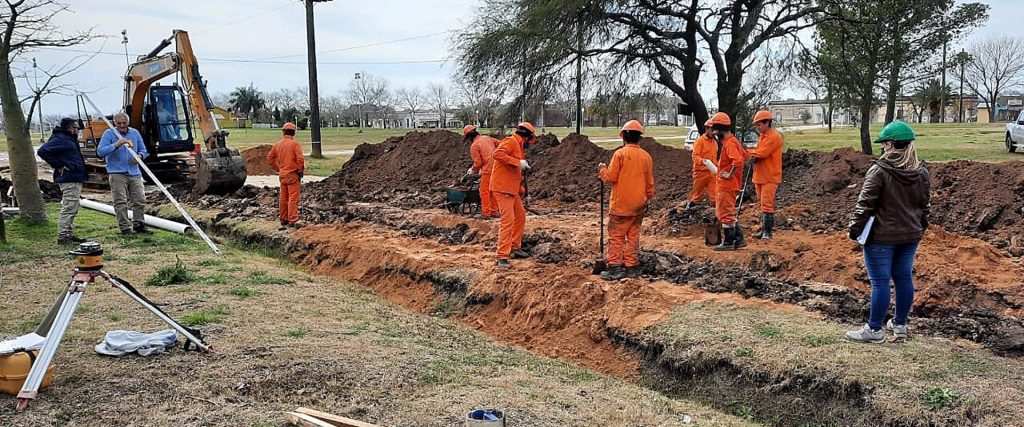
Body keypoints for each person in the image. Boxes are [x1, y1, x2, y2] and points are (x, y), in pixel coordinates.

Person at [845, 120, 930, 343]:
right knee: (903, 279)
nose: (882, 147)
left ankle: (874, 330)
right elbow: (924, 206)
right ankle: (900, 324)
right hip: (910, 236)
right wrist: (920, 228)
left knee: (880, 282)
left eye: (884, 144)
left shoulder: (879, 171)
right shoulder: (921, 172)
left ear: (892, 144)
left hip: (881, 237)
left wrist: (854, 231)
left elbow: (865, 205)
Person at [598, 120, 655, 280]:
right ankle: (632, 266)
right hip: (639, 205)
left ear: (623, 136)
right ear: (639, 137)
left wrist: (602, 170)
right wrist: (648, 199)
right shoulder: (646, 157)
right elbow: (650, 183)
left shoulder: (620, 154)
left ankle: (615, 267)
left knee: (616, 235)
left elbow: (611, 177)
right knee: (633, 235)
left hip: (621, 205)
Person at [490, 122, 535, 268]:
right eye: (530, 140)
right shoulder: (511, 141)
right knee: (507, 220)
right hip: (502, 188)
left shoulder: (519, 146)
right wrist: (517, 162)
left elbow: (515, 173)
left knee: (520, 216)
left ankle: (515, 247)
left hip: (512, 189)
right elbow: (497, 154)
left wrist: (523, 192)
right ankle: (501, 256)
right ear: (527, 136)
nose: (530, 143)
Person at [97, 112, 150, 235]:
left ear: (128, 122)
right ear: (115, 123)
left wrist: (139, 156)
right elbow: (100, 152)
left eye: (124, 123)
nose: (122, 125)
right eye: (119, 123)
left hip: (134, 172)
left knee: (139, 199)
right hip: (117, 172)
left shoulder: (134, 133)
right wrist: (116, 145)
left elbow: (144, 150)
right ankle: (125, 227)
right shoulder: (109, 134)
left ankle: (139, 224)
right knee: (120, 201)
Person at [37, 118, 88, 244]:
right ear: (70, 128)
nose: (78, 130)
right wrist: (58, 165)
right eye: (76, 128)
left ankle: (68, 233)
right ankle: (63, 236)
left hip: (74, 177)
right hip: (68, 178)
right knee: (69, 207)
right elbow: (42, 151)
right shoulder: (61, 139)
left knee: (73, 207)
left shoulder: (68, 139)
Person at [709, 112, 750, 251]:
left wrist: (729, 174)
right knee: (728, 212)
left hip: (727, 185)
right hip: (728, 185)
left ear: (720, 129)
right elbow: (744, 156)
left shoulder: (730, 143)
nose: (714, 133)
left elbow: (738, 161)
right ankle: (739, 239)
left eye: (715, 129)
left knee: (725, 213)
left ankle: (729, 242)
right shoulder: (732, 141)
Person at [747, 110, 784, 240]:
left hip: (770, 176)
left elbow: (762, 153)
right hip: (760, 175)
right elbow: (759, 153)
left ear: (767, 122)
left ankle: (767, 232)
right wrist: (754, 155)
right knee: (762, 203)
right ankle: (763, 230)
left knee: (767, 203)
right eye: (757, 125)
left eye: (759, 125)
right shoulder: (762, 137)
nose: (758, 127)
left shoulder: (774, 137)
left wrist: (747, 152)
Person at [268, 122, 305, 229]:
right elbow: (300, 159)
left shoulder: (278, 144)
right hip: (293, 174)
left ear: (283, 131)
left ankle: (283, 218)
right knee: (293, 197)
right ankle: (292, 219)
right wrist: (300, 170)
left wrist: (278, 169)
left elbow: (270, 158)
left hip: (283, 175)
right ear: (294, 132)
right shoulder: (295, 144)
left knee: (283, 198)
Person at [464, 125, 499, 219]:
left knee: (484, 191)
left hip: (487, 169)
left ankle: (486, 213)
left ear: (469, 137)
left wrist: (472, 169)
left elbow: (478, 163)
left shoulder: (474, 145)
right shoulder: (487, 138)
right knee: (493, 190)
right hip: (497, 168)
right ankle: (495, 211)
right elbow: (500, 144)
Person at [686, 118, 718, 210]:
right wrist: (703, 161)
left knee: (714, 197)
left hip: (712, 173)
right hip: (700, 173)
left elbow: (715, 159)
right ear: (707, 128)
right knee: (697, 196)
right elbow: (695, 156)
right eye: (712, 130)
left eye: (715, 130)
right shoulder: (700, 141)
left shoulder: (715, 143)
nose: (714, 132)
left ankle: (715, 216)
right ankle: (689, 209)